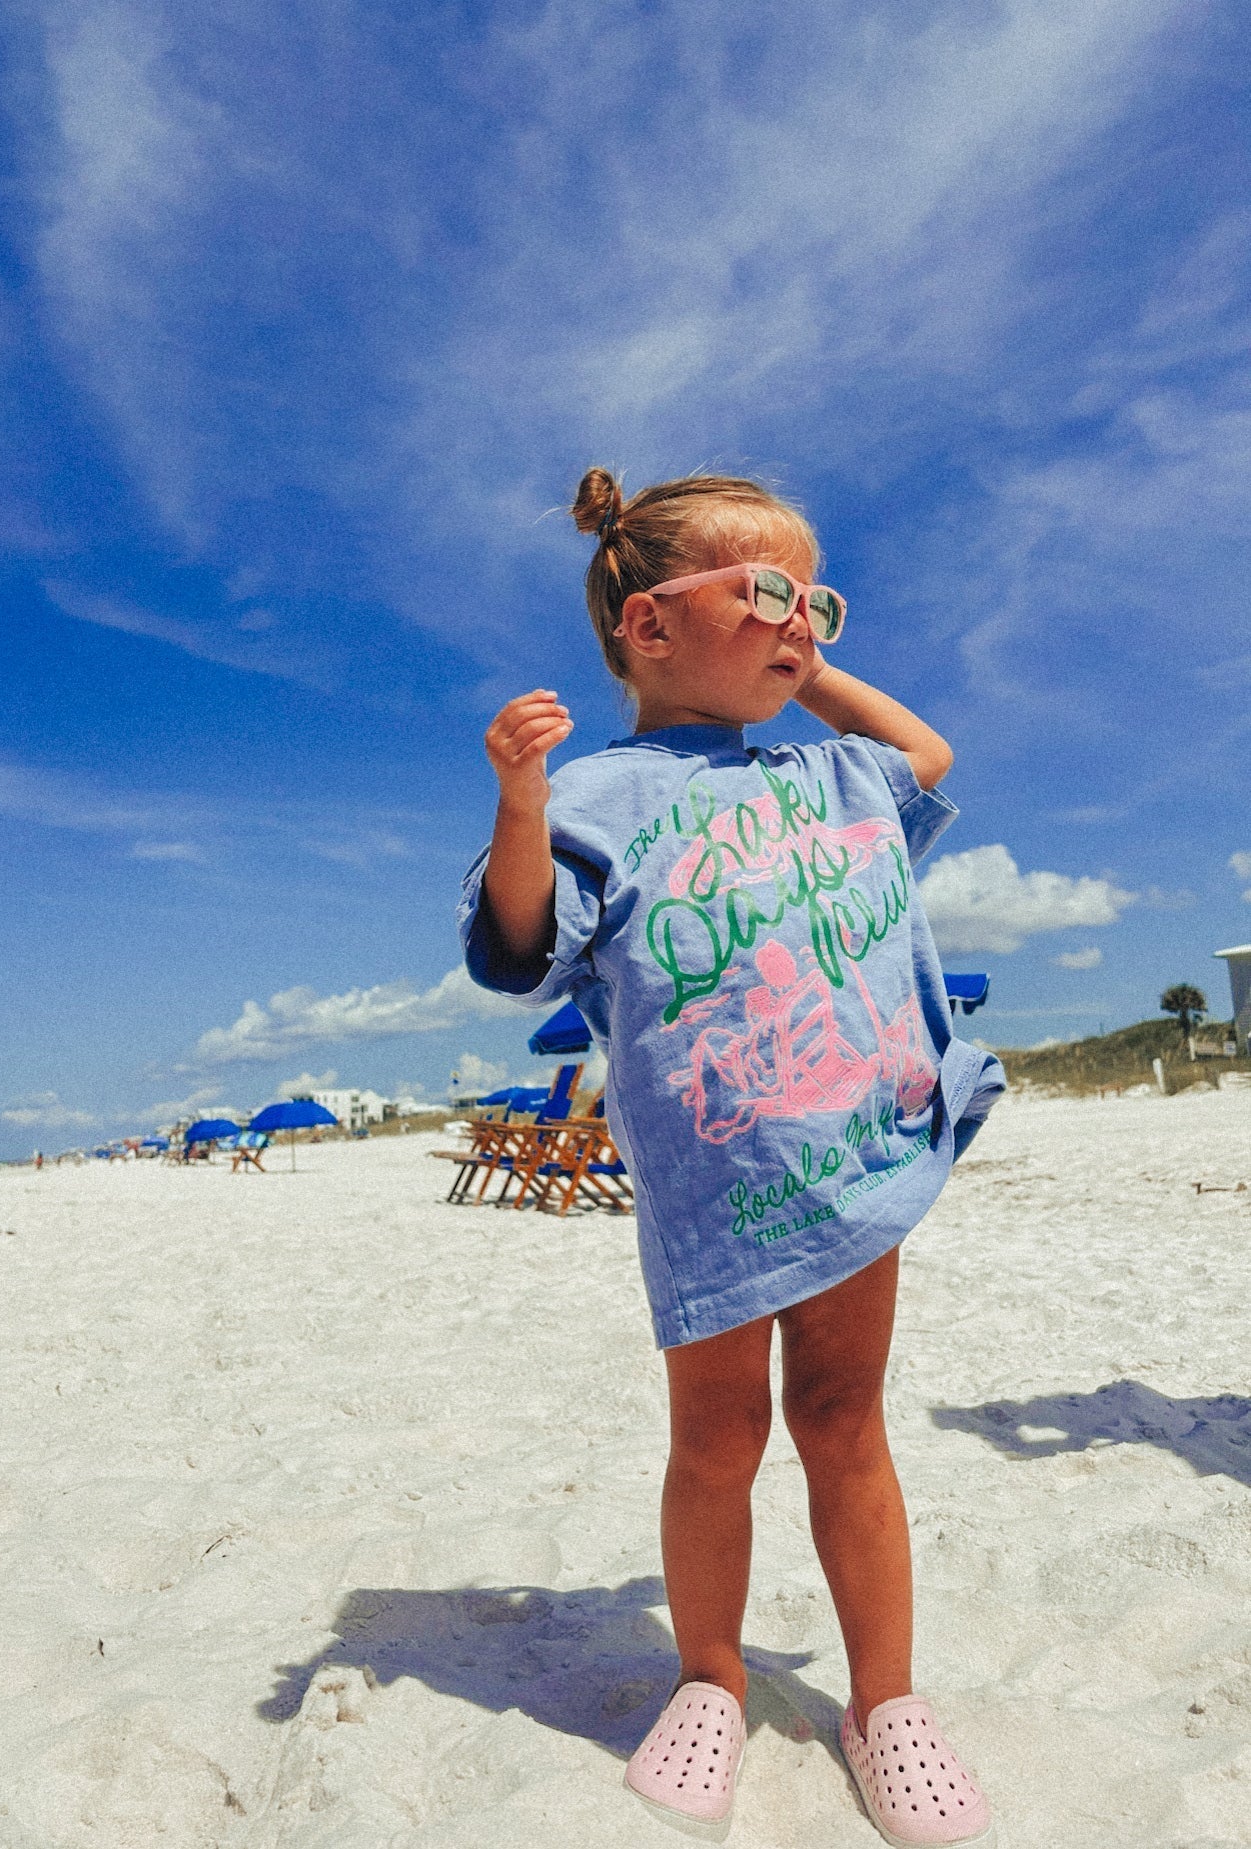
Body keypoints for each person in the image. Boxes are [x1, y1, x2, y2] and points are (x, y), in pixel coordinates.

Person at [458, 470, 1003, 1845]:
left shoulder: (825, 769)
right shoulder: (601, 792)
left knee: (845, 1427)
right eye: (765, 595)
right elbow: (522, 942)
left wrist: (808, 669)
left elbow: (927, 758)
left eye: (817, 598)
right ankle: (708, 1673)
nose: (798, 622)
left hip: (857, 1164)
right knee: (716, 1439)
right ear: (646, 625)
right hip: (715, 1193)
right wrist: (522, 797)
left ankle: (888, 1701)